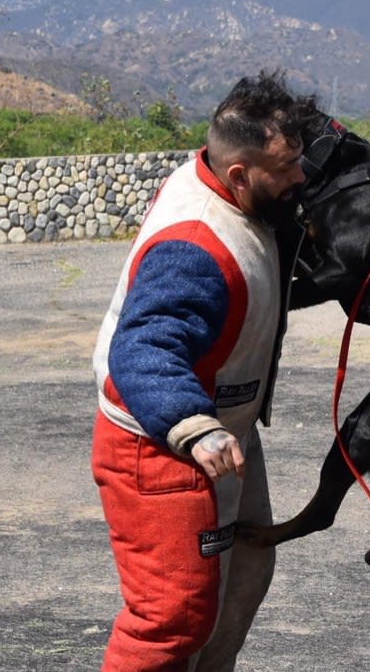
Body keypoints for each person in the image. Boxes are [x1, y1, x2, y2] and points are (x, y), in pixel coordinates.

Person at [91, 71, 310, 671]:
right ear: (239, 174)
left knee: (242, 581)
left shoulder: (234, 190)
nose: (300, 177)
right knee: (171, 617)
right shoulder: (193, 247)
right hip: (164, 439)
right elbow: (145, 347)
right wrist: (195, 423)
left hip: (224, 433)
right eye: (288, 166)